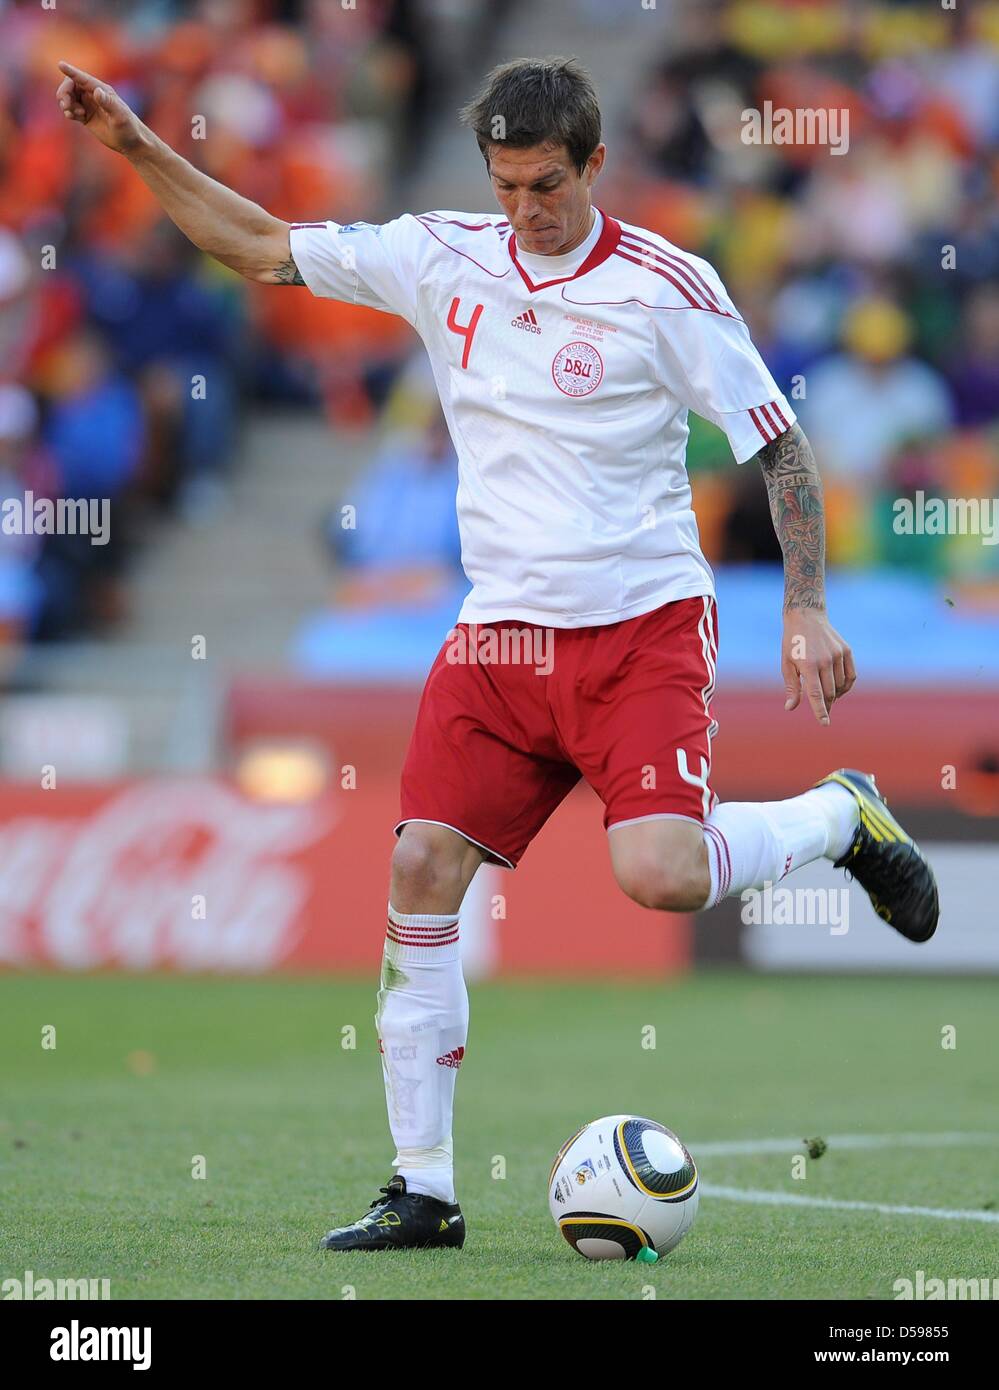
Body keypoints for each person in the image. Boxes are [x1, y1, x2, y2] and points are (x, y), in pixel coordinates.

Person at [56, 54, 940, 1254]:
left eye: (547, 186)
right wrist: (132, 147)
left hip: (639, 628)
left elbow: (778, 450)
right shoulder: (441, 254)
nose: (526, 210)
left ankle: (840, 815)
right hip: (498, 635)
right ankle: (423, 1188)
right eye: (508, 184)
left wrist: (806, 606)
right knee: (420, 867)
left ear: (594, 165)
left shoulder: (668, 287)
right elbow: (261, 244)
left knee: (663, 874)